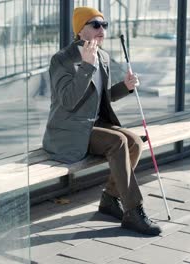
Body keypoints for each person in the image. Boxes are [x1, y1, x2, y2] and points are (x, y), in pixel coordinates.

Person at [42, 7, 161, 235]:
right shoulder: (62, 59)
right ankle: (134, 211)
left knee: (134, 141)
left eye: (104, 25)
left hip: (92, 125)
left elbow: (101, 97)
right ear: (80, 30)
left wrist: (124, 87)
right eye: (95, 24)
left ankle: (109, 199)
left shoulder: (103, 56)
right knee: (117, 141)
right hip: (68, 131)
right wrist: (86, 66)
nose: (101, 29)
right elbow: (68, 101)